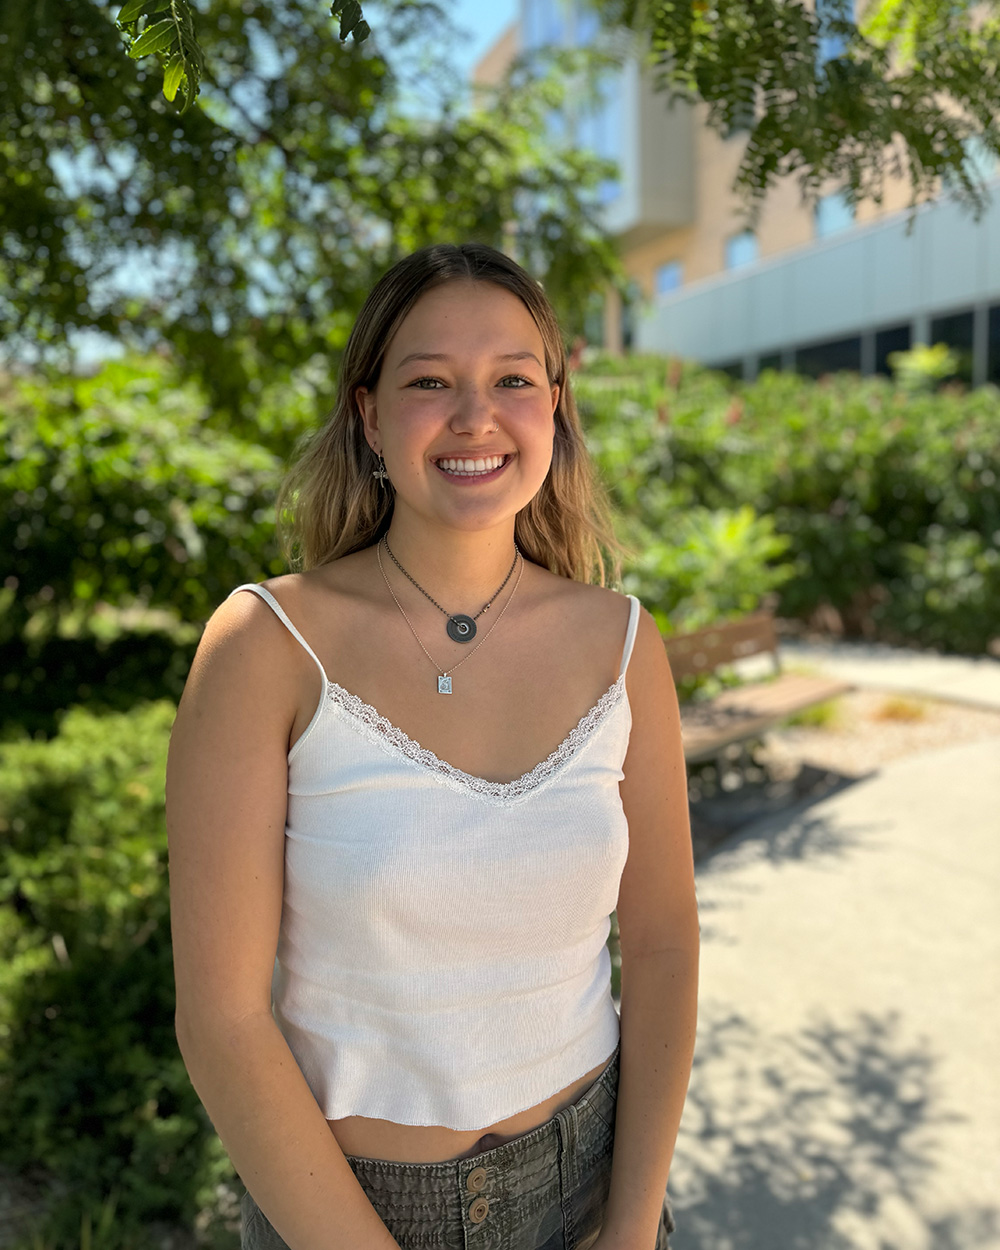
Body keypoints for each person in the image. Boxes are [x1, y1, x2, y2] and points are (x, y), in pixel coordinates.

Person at [165, 241, 699, 1250]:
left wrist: (631, 1223)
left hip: (596, 1180)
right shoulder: (266, 646)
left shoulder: (623, 641)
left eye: (511, 378)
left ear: (553, 404)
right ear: (367, 414)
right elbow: (224, 1020)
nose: (474, 416)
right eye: (428, 381)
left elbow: (664, 940)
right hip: (350, 1211)